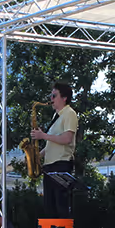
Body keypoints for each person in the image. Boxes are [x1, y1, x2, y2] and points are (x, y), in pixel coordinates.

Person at [31, 82, 78, 219]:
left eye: (54, 96)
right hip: (50, 166)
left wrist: (43, 136)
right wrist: (36, 156)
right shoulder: (56, 116)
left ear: (64, 98)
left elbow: (67, 139)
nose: (51, 99)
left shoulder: (69, 113)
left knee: (61, 207)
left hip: (61, 164)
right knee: (49, 208)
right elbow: (53, 143)